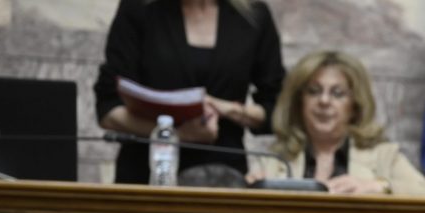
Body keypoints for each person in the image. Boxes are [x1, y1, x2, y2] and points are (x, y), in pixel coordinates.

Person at [94, 0, 285, 184]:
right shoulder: (139, 8)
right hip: (147, 173)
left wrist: (228, 109)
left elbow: (278, 109)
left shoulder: (254, 15)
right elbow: (108, 110)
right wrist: (177, 135)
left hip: (224, 178)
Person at [252, 51, 425, 197]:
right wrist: (249, 188)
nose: (324, 101)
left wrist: (378, 186)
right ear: (298, 102)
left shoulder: (383, 156)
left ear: (355, 105)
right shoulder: (274, 159)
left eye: (337, 93)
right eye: (314, 91)